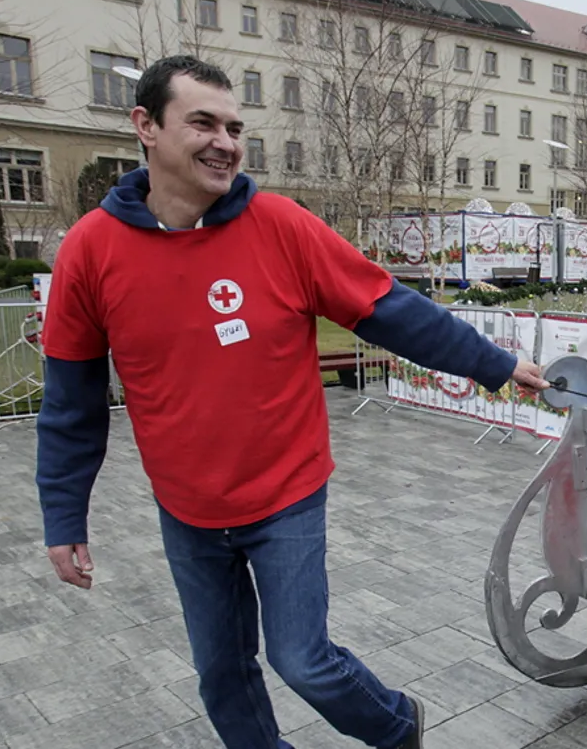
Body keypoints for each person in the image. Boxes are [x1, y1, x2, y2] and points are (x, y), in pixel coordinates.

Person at [34, 55, 549, 749]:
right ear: (145, 127)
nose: (224, 141)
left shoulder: (280, 226)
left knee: (303, 660)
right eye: (203, 123)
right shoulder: (91, 250)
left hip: (286, 495)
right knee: (221, 674)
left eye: (235, 127)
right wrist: (64, 517)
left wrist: (493, 363)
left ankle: (398, 727)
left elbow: (390, 311)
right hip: (186, 507)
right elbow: (71, 400)